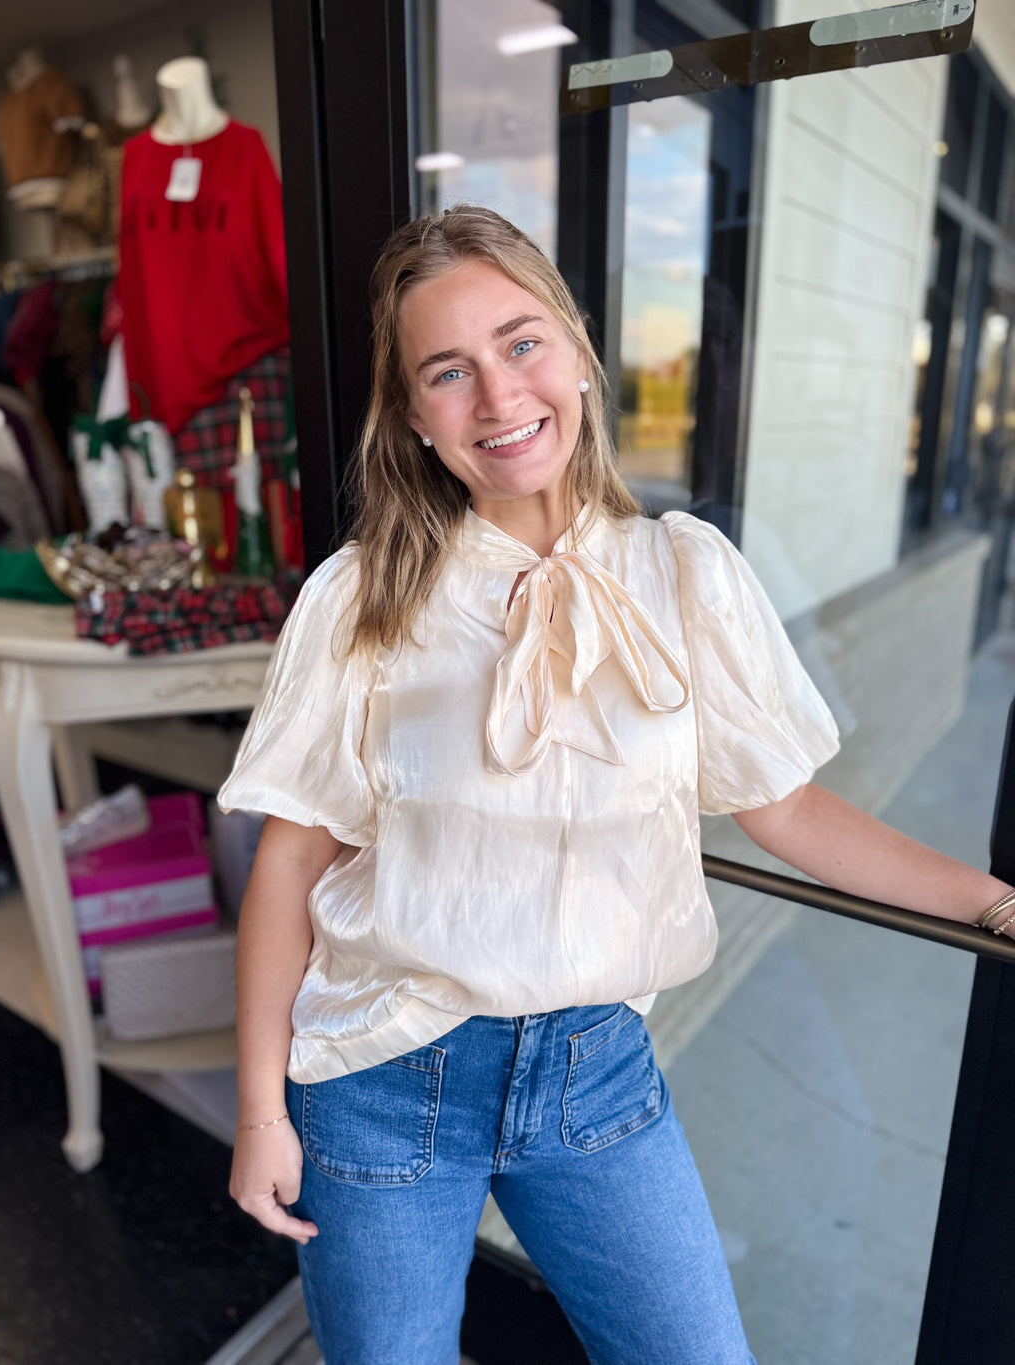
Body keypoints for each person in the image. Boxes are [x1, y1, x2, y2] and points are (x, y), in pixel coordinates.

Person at [218, 204, 1015, 1365]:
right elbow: (290, 861)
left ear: (581, 354)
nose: (497, 396)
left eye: (520, 342)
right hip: (383, 1078)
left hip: (594, 1080)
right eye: (448, 371)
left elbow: (783, 806)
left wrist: (993, 903)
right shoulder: (362, 600)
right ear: (413, 420)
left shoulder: (685, 573)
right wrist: (258, 1115)